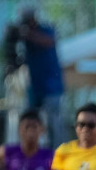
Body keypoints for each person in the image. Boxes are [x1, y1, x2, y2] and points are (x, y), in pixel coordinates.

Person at [16, 9, 65, 147]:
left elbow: (48, 41)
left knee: (53, 122)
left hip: (51, 86)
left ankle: (57, 151)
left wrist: (28, 34)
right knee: (31, 120)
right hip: (34, 87)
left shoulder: (45, 30)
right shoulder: (26, 39)